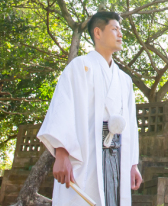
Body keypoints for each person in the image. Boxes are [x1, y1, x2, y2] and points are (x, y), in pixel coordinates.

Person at [38, 11, 143, 206]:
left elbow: (130, 123)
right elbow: (63, 109)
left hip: (117, 156)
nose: (120, 34)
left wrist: (132, 164)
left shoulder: (124, 80)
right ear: (98, 32)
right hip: (85, 154)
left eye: (121, 30)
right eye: (115, 29)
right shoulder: (79, 67)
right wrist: (61, 153)